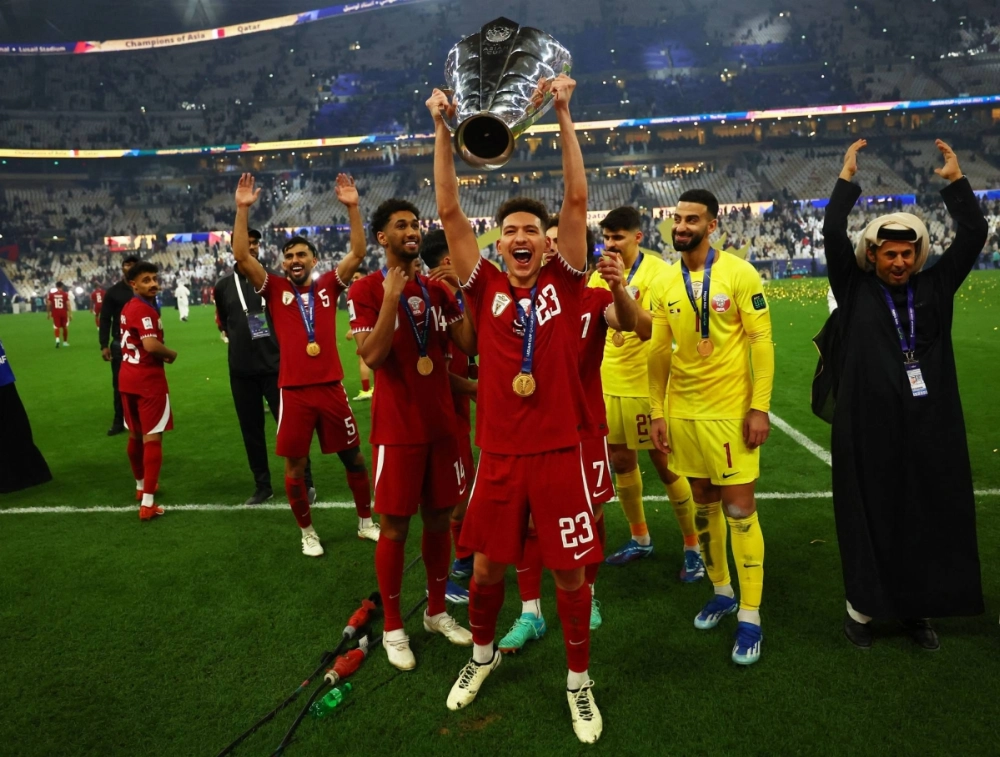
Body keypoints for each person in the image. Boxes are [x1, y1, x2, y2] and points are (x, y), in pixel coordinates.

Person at [430, 74, 604, 744]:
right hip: (499, 455)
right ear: (498, 243)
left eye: (533, 229)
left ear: (549, 242)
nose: (523, 237)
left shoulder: (566, 277)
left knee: (570, 573)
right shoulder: (484, 284)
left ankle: (578, 681)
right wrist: (442, 130)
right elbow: (449, 209)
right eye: (511, 231)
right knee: (484, 570)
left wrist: (563, 112)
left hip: (558, 452)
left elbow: (577, 197)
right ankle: (482, 657)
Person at [823, 139, 986, 650]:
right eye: (889, 253)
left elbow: (974, 234)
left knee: (925, 513)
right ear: (872, 255)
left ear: (918, 255)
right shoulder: (854, 288)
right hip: (866, 427)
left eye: (906, 253)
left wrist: (956, 183)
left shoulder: (936, 287)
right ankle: (862, 610)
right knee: (869, 514)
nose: (898, 261)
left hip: (930, 425)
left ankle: (918, 608)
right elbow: (831, 233)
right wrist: (846, 181)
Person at [348, 200, 477, 670]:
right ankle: (393, 627)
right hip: (397, 430)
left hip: (441, 425)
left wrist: (462, 290)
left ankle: (436, 611)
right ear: (382, 238)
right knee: (395, 527)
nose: (412, 231)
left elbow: (469, 344)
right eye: (401, 225)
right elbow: (373, 356)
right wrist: (390, 298)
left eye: (415, 224)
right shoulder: (365, 289)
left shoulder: (437, 290)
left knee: (440, 520)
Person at [648, 188, 774, 666]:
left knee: (739, 509)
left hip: (729, 412)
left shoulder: (739, 273)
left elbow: (761, 342)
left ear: (712, 225)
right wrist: (657, 412)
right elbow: (657, 352)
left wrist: (759, 407)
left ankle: (750, 615)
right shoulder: (665, 280)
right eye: (678, 218)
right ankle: (722, 591)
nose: (682, 226)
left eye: (692, 219)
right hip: (683, 412)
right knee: (703, 502)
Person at [498, 229, 639, 653]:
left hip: (583, 428)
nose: (552, 246)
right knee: (526, 520)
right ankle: (531, 612)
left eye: (562, 240)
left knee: (590, 514)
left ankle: (588, 592)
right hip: (531, 430)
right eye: (549, 238)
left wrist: (619, 288)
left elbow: (628, 322)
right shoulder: (517, 300)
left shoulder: (594, 299)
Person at [231, 173, 377, 557]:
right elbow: (242, 256)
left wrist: (353, 206)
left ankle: (365, 522)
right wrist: (242, 209)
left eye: (301, 255)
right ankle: (307, 533)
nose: (294, 261)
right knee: (295, 467)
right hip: (293, 391)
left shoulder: (329, 285)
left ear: (314, 260)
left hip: (331, 388)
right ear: (283, 263)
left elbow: (358, 253)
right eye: (289, 256)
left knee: (354, 457)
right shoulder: (274, 288)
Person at [589, 207, 704, 579]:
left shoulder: (660, 274)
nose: (610, 245)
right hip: (609, 384)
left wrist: (619, 287)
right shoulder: (597, 276)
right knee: (621, 462)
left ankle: (693, 546)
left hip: (646, 385)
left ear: (637, 237)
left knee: (666, 466)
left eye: (618, 237)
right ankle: (640, 538)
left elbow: (649, 330)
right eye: (606, 238)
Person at [214, 227, 320, 507]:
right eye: (245, 242)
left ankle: (305, 482)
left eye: (255, 243)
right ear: (234, 247)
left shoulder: (276, 281)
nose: (250, 247)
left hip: (277, 367)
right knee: (251, 431)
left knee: (291, 429)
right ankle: (262, 486)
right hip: (241, 370)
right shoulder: (223, 287)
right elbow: (225, 322)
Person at [419, 230, 478, 592]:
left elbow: (474, 343)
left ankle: (464, 556)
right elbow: (430, 369)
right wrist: (472, 388)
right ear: (447, 261)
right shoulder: (427, 301)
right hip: (439, 412)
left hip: (457, 407)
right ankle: (453, 568)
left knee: (464, 483)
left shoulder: (454, 295)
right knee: (452, 492)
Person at [119, 262, 176, 520]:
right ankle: (148, 504)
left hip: (127, 378)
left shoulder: (128, 307)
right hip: (148, 380)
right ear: (133, 284)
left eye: (154, 278)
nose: (153, 284)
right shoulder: (144, 310)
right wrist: (171, 354)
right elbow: (151, 345)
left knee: (135, 434)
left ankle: (141, 487)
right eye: (146, 280)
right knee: (152, 438)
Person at [0, 336, 52, 493]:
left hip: (4, 380)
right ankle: (28, 473)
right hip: (4, 379)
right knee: (15, 426)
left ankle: (15, 476)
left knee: (12, 427)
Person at [100, 255, 140, 436]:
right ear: (122, 267)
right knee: (119, 384)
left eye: (133, 264)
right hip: (120, 343)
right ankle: (119, 420)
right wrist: (103, 344)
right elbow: (105, 318)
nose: (130, 267)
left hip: (142, 342)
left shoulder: (144, 289)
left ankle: (140, 417)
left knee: (142, 381)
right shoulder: (113, 292)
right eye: (127, 264)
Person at [345, 269, 374, 401]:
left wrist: (353, 329)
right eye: (353, 278)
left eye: (356, 277)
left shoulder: (363, 290)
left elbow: (365, 312)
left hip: (367, 329)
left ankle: (367, 390)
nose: (354, 280)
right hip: (369, 327)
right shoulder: (367, 289)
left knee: (364, 360)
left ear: (365, 276)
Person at [47, 281, 71, 348]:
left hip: (55, 313)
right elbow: (68, 304)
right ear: (62, 286)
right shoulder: (65, 294)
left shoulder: (52, 295)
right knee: (65, 327)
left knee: (56, 327)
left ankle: (57, 340)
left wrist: (48, 313)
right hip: (63, 312)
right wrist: (70, 314)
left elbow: (49, 304)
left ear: (56, 286)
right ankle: (65, 342)